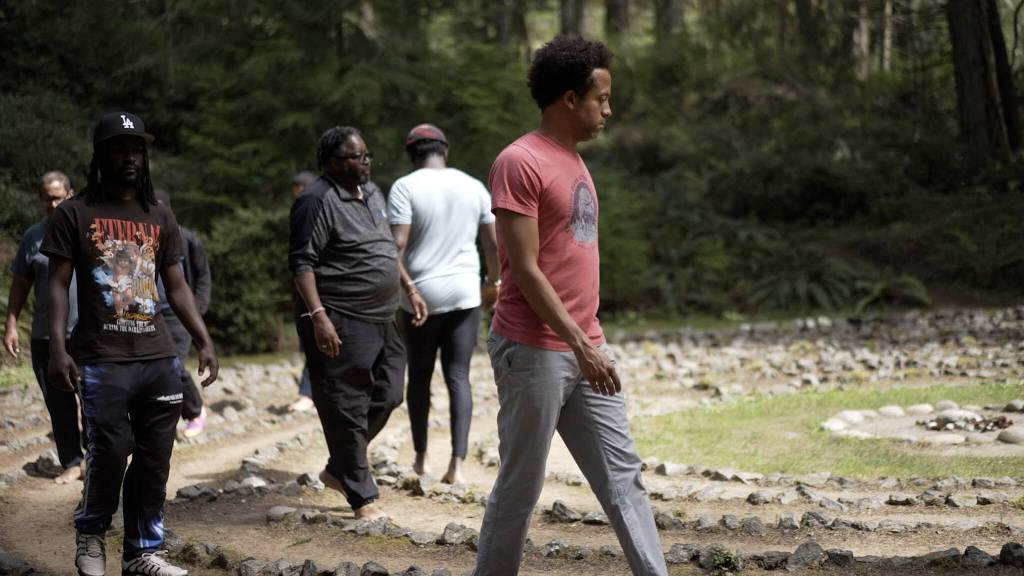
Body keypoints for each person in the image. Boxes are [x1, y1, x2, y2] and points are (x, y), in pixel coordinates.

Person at [473, 37, 669, 576]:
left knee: (623, 476)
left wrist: (589, 343)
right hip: (533, 350)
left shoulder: (575, 161)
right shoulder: (520, 161)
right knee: (521, 486)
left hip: (586, 347)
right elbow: (526, 269)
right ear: (568, 98)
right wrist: (581, 345)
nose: (608, 110)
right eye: (600, 99)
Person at [43, 111, 218, 576]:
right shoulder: (73, 213)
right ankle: (91, 534)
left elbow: (176, 285)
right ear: (101, 156)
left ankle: (143, 551)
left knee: (155, 457)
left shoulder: (159, 214)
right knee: (110, 451)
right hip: (102, 357)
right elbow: (58, 285)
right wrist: (59, 347)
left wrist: (203, 339)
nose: (130, 157)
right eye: (120, 148)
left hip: (158, 355)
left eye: (137, 149)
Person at [288, 126, 407, 520]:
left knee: (390, 393)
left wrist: (409, 286)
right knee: (347, 403)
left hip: (384, 314)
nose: (365, 162)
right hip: (341, 314)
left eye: (366, 156)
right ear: (332, 163)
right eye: (357, 157)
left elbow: (385, 246)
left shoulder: (372, 192)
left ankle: (340, 466)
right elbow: (302, 263)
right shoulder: (315, 201)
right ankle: (361, 496)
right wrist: (319, 316)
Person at [387, 123, 500, 485]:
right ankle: (457, 466)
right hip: (465, 293)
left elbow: (395, 248)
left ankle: (421, 460)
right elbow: (494, 244)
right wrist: (493, 282)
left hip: (421, 295)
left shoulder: (405, 187)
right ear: (445, 151)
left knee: (419, 376)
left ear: (412, 155)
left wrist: (408, 288)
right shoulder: (473, 186)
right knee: (458, 376)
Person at [3, 171, 85, 484]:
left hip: (85, 333)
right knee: (58, 402)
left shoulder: (85, 232)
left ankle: (99, 462)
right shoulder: (33, 237)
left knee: (92, 399)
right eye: (47, 198)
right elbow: (21, 284)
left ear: (71, 195)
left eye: (58, 197)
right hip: (45, 336)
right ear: (41, 200)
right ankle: (72, 463)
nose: (53, 204)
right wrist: (11, 324)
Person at [154, 189, 212, 439]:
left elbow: (203, 278)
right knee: (155, 367)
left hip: (180, 315)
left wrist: (196, 312)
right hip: (152, 313)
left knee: (173, 364)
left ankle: (195, 411)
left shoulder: (187, 239)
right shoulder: (142, 238)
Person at [288, 171, 317, 413]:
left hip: (323, 289)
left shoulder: (319, 211)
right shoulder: (302, 213)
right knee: (311, 343)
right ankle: (309, 392)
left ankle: (310, 393)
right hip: (306, 289)